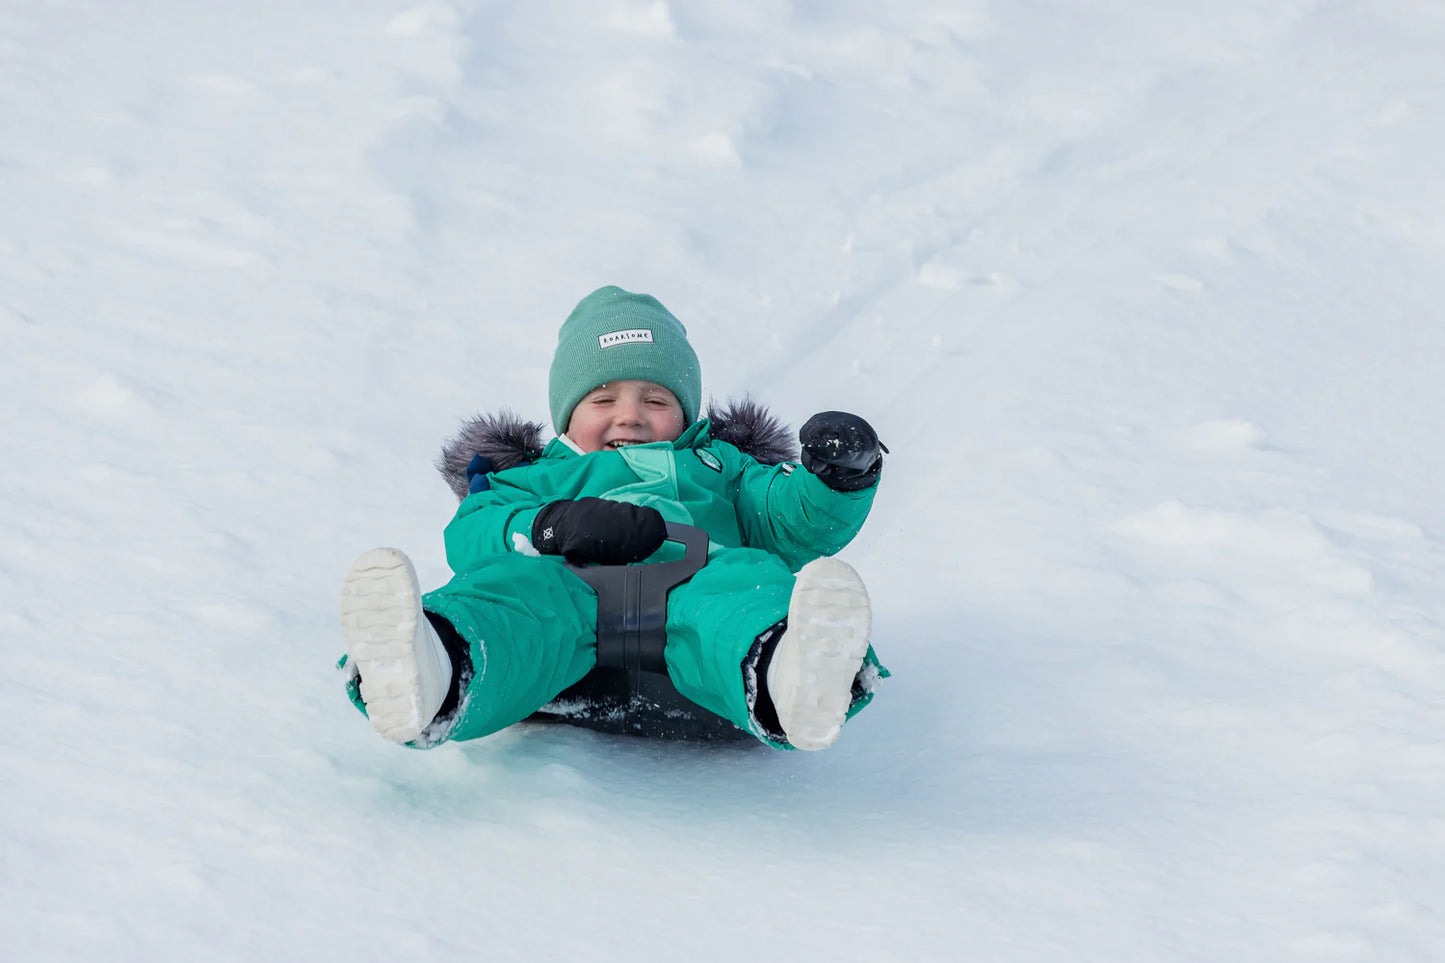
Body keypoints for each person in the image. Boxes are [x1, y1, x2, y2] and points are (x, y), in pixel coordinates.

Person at [337, 285, 888, 751]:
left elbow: (790, 517)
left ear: (685, 413)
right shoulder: (536, 476)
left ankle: (787, 671)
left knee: (743, 585)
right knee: (510, 594)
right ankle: (435, 666)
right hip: (567, 590)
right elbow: (476, 531)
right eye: (602, 401)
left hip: (695, 588)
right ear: (566, 416)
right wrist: (548, 526)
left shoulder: (721, 467)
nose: (630, 416)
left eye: (656, 400)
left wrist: (836, 478)